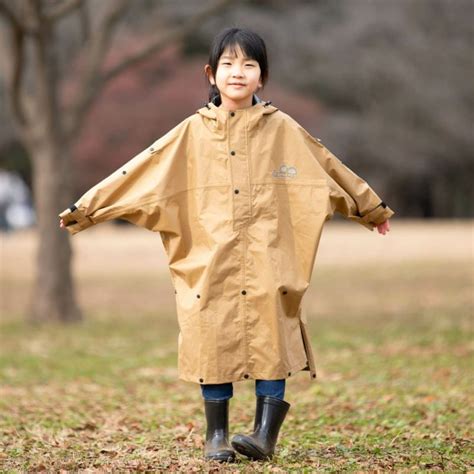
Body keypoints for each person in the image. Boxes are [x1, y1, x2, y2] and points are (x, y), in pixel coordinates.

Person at [59, 27, 394, 463]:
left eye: (249, 65)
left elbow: (326, 168)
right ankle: (216, 435)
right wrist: (85, 211)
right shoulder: (190, 134)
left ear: (262, 77)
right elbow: (139, 173)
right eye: (229, 65)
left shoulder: (283, 130)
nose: (238, 73)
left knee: (272, 337)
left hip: (269, 257)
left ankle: (263, 434)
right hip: (209, 259)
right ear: (211, 74)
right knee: (210, 336)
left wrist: (371, 209)